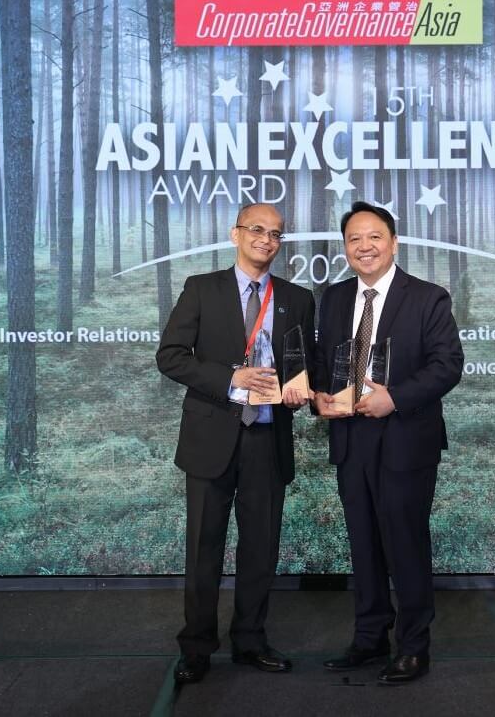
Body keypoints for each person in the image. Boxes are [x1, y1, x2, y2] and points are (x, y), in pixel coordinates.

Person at [156, 203, 315, 684]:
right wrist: (230, 378)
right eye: (257, 230)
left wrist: (301, 387)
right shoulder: (202, 289)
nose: (266, 239)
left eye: (276, 234)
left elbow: (302, 363)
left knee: (260, 548)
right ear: (236, 234)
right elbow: (170, 357)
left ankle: (250, 639)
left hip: (268, 438)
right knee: (204, 547)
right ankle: (197, 646)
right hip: (212, 436)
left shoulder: (297, 298)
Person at [313, 201, 463, 684]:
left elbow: (447, 366)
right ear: (345, 248)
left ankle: (414, 646)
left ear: (393, 242)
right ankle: (370, 638)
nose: (364, 246)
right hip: (351, 440)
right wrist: (317, 393)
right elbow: (323, 362)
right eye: (355, 239)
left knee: (405, 543)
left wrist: (393, 399)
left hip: (404, 441)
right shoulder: (333, 298)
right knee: (363, 544)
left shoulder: (428, 297)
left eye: (374, 236)